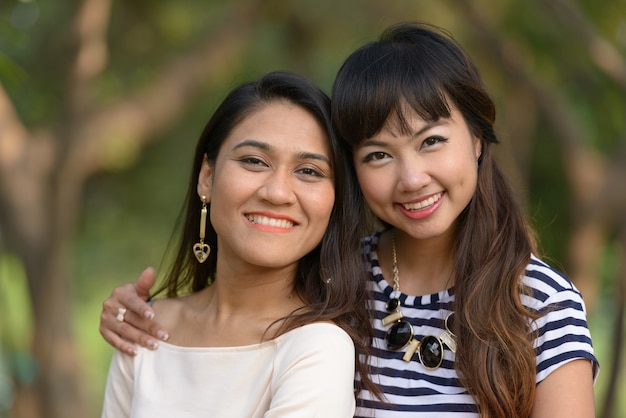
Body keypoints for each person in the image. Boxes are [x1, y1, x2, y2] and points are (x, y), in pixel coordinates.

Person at [99, 23, 599, 417]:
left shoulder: (540, 302)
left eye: (431, 142)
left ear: (475, 140)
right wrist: (138, 316)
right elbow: (238, 318)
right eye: (379, 155)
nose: (411, 178)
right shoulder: (336, 275)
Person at [100, 70, 378, 418]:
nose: (277, 192)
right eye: (254, 161)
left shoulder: (316, 346)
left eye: (309, 171)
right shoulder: (142, 329)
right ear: (207, 177)